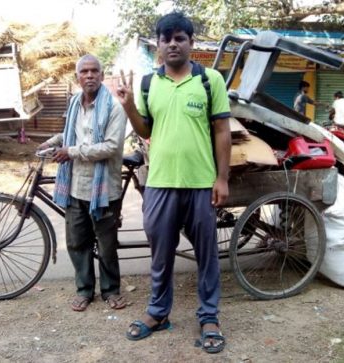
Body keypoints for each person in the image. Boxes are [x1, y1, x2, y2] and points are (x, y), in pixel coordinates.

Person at [114, 12, 231, 354]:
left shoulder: (210, 81)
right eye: (165, 39)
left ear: (191, 43)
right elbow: (146, 131)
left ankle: (209, 317)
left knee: (207, 254)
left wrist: (222, 178)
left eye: (179, 37)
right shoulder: (149, 84)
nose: (172, 44)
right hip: (160, 183)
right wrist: (129, 106)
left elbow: (222, 130)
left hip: (200, 184)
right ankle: (157, 313)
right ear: (158, 46)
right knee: (160, 254)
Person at [38, 55, 128, 312]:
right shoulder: (75, 103)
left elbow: (110, 147)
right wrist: (52, 142)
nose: (89, 75)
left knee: (107, 245)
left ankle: (111, 290)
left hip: (104, 188)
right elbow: (70, 133)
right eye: (84, 72)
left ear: (101, 75)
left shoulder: (114, 108)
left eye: (94, 71)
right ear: (77, 77)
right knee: (77, 242)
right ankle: (84, 290)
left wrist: (71, 151)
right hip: (76, 186)